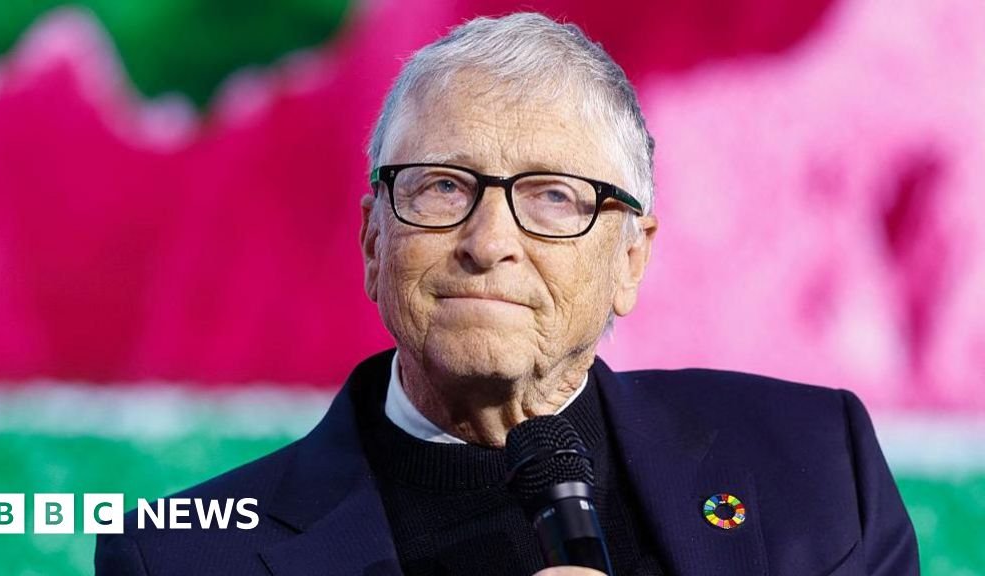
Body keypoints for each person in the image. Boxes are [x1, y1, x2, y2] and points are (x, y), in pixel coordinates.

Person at [96, 12, 918, 576]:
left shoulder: (816, 466)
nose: (488, 242)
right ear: (374, 239)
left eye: (554, 197)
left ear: (631, 259)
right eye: (442, 187)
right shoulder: (179, 556)